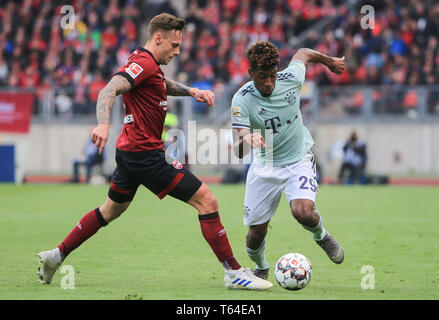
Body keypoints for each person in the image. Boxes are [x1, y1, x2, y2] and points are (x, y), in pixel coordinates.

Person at [36, 13, 272, 291]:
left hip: (129, 152)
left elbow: (160, 84)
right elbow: (109, 89)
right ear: (158, 38)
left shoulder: (146, 63)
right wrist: (102, 124)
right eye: (174, 45)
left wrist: (191, 91)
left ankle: (56, 254)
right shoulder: (143, 62)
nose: (178, 51)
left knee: (110, 210)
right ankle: (233, 272)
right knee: (207, 201)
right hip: (145, 156)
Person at [231, 41, 345, 280]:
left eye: (272, 76)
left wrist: (329, 62)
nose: (269, 83)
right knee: (255, 236)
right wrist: (246, 137)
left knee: (303, 212)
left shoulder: (291, 78)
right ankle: (261, 267)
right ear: (251, 73)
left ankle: (321, 236)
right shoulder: (241, 100)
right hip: (265, 166)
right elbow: (239, 148)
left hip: (298, 160)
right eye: (262, 77)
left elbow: (303, 53)